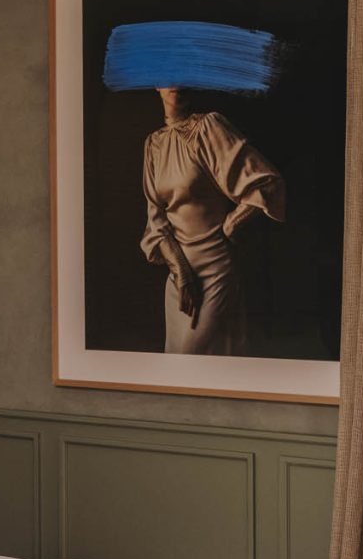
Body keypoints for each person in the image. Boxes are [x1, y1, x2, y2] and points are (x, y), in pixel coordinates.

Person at [101, 19, 287, 356]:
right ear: (155, 84)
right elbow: (156, 223)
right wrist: (181, 271)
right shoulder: (153, 144)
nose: (177, 79)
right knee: (177, 362)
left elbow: (266, 182)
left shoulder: (209, 127)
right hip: (179, 275)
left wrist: (231, 226)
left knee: (192, 358)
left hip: (216, 270)